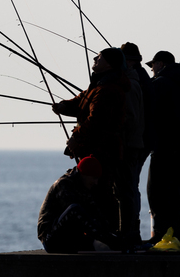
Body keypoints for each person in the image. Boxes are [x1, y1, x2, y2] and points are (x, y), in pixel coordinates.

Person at [52, 47, 130, 234]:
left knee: (101, 193)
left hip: (102, 150)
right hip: (96, 149)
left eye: (99, 57)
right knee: (96, 192)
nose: (95, 59)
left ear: (110, 64)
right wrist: (63, 106)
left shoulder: (108, 89)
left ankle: (107, 233)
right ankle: (101, 233)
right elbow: (81, 102)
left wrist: (75, 138)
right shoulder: (99, 86)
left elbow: (96, 120)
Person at [145, 51, 180, 242]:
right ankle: (175, 234)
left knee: (155, 192)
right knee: (174, 193)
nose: (151, 69)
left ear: (161, 64)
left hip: (163, 147)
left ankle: (161, 235)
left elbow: (147, 108)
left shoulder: (161, 84)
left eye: (153, 65)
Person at [38, 156, 123, 252]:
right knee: (75, 209)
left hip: (70, 237)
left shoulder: (84, 186)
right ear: (84, 174)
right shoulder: (64, 185)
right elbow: (75, 216)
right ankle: (111, 241)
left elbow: (94, 212)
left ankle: (115, 241)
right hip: (51, 239)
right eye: (94, 178)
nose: (96, 182)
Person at [118, 42, 147, 244]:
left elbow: (129, 118)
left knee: (127, 189)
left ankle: (128, 233)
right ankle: (130, 232)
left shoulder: (132, 83)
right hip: (140, 142)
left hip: (130, 144)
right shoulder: (143, 78)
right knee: (130, 188)